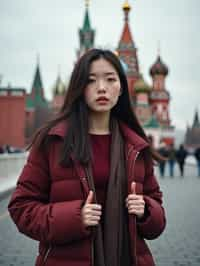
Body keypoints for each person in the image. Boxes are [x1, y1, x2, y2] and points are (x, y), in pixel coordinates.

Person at [8, 49, 166, 266]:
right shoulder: (53, 141)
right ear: (80, 88)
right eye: (91, 81)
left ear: (121, 88)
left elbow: (157, 218)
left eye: (110, 79)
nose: (102, 88)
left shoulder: (136, 146)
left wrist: (146, 210)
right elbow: (21, 208)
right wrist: (75, 218)